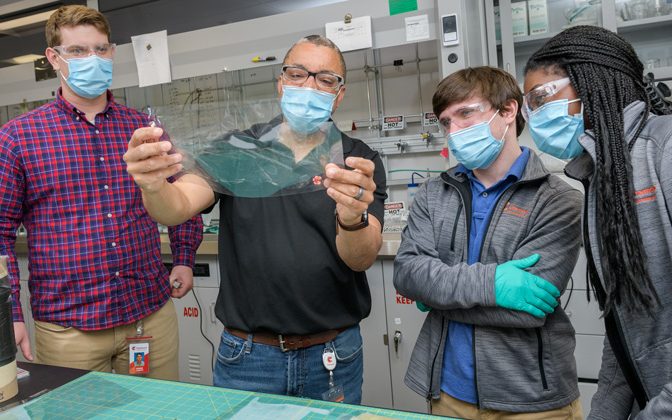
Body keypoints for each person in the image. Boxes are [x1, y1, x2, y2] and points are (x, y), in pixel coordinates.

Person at [123, 35, 387, 403]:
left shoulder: (357, 161)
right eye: (297, 74)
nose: (309, 86)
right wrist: (153, 185)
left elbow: (361, 258)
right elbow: (176, 205)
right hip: (248, 357)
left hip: (333, 355)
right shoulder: (239, 149)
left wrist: (351, 216)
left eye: (325, 80)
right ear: (280, 83)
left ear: (339, 94)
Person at [0, 5, 203, 380]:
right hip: (69, 329)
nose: (92, 59)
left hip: (148, 317)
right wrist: (8, 315)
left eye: (101, 49)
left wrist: (184, 256)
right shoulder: (18, 137)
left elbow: (183, 195)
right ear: (54, 58)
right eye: (77, 51)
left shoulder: (144, 128)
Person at [394, 66, 583, 419]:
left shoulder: (558, 200)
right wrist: (492, 285)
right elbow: (407, 273)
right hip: (447, 393)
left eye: (466, 113)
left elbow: (528, 311)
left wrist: (437, 294)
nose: (454, 130)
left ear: (508, 111)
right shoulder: (435, 193)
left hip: (531, 400)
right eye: (446, 122)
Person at [523, 25, 672, 419]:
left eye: (541, 99)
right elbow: (624, 326)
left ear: (591, 82)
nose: (534, 118)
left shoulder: (664, 149)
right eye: (529, 105)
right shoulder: (604, 174)